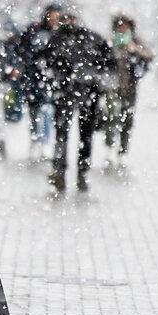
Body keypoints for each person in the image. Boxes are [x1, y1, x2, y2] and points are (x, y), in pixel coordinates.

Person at [42, 12, 116, 192]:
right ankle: (66, 172)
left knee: (77, 135)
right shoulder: (62, 39)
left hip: (81, 93)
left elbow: (109, 65)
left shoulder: (64, 39)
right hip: (73, 93)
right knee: (71, 135)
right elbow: (47, 65)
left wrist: (99, 85)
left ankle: (73, 172)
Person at [5, 2, 63, 160]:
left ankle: (45, 143)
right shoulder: (34, 30)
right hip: (32, 78)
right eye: (52, 14)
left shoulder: (62, 33)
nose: (54, 18)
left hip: (51, 79)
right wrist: (18, 66)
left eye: (57, 15)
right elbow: (21, 49)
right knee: (34, 111)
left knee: (48, 110)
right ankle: (35, 141)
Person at [104, 13, 153, 167]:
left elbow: (149, 56)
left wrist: (135, 49)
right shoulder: (111, 44)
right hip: (113, 86)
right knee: (113, 115)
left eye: (126, 26)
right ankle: (110, 147)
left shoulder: (136, 42)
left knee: (127, 119)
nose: (123, 29)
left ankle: (122, 151)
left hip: (130, 86)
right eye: (120, 26)